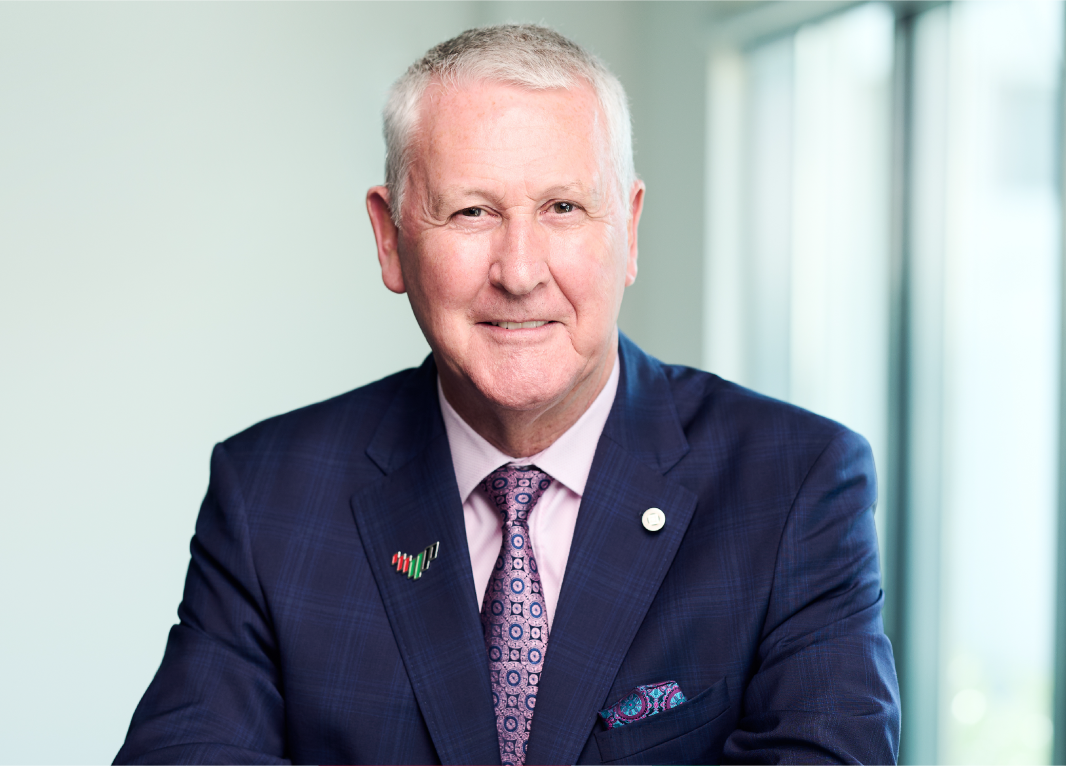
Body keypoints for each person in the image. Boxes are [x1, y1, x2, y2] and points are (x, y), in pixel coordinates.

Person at [114, 24, 899, 766]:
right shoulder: (270, 497)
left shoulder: (795, 484)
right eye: (472, 212)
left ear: (628, 229)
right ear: (390, 240)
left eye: (563, 207)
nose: (520, 272)